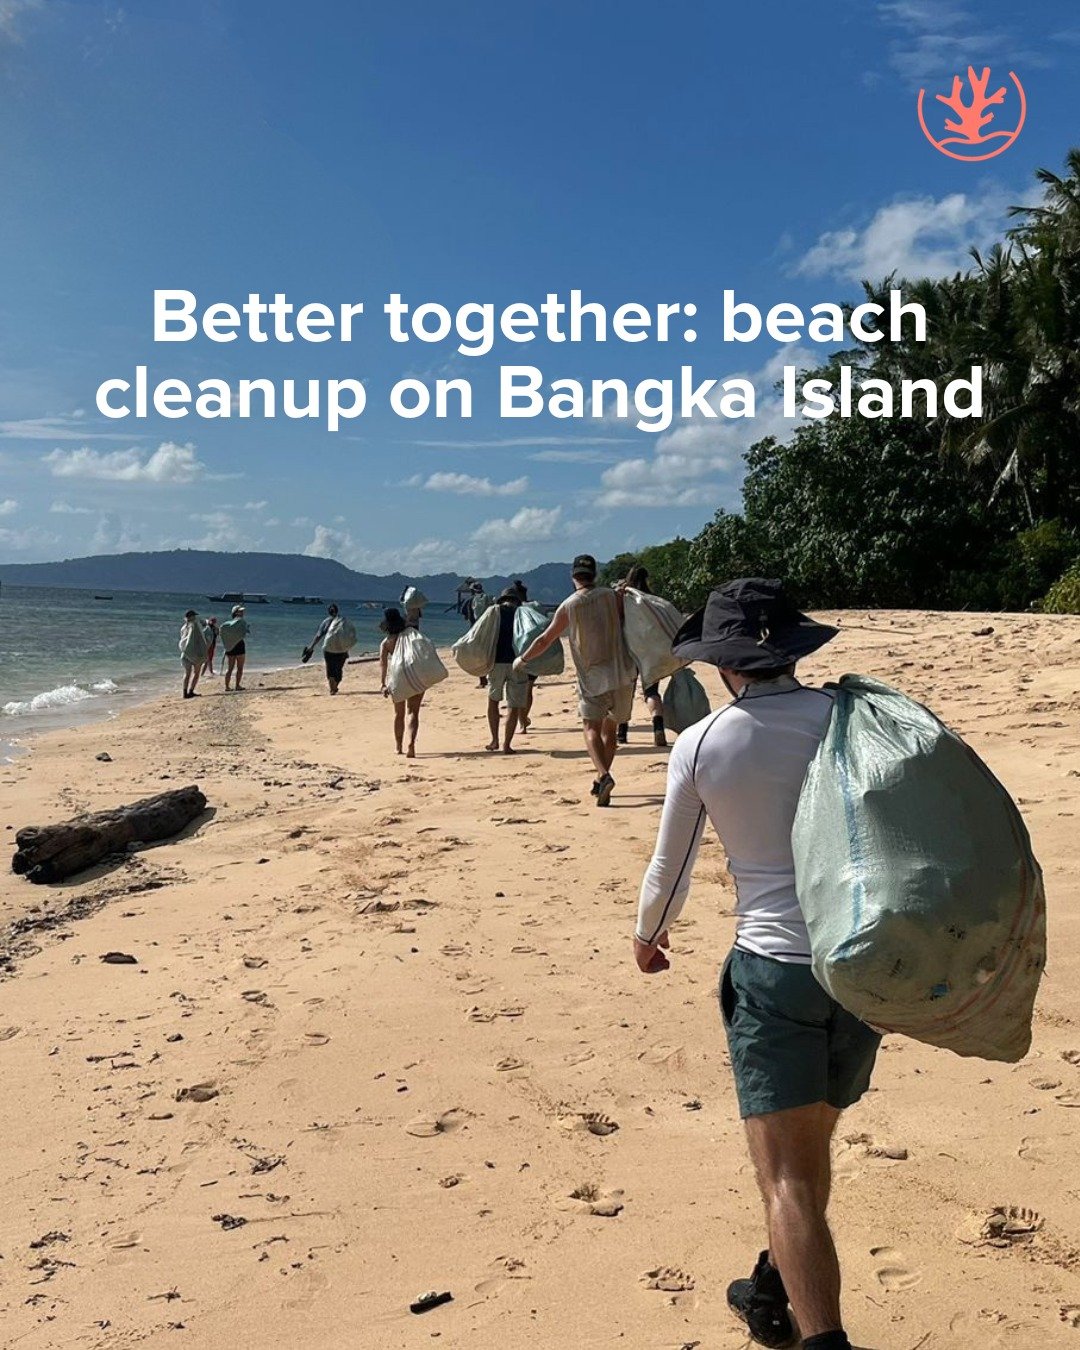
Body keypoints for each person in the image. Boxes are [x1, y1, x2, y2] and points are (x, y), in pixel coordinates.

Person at [632, 578, 878, 1350]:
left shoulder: (704, 742)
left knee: (787, 1177)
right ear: (792, 652)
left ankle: (822, 1339)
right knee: (812, 1147)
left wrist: (650, 935)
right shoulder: (847, 718)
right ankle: (773, 1290)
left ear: (723, 664)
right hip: (864, 963)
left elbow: (670, 866)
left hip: (773, 970)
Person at [513, 553, 635, 807]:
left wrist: (523, 660)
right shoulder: (613, 597)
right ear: (595, 575)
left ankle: (604, 775)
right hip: (623, 672)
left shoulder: (569, 605)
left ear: (573, 577)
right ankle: (603, 779)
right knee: (610, 729)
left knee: (590, 727)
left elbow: (545, 639)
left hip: (592, 676)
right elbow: (629, 620)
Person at [615, 564, 668, 749]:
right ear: (647, 579)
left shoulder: (624, 597)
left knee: (626, 691)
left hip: (628, 649)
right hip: (649, 651)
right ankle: (658, 727)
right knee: (651, 692)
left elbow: (618, 620)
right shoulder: (652, 600)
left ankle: (621, 733)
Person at [486, 588, 528, 754]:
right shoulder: (522, 613)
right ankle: (507, 745)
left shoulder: (494, 612)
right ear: (517, 600)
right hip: (518, 662)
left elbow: (481, 633)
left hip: (496, 662)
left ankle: (494, 740)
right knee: (514, 705)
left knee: (493, 700)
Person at [379, 607, 424, 757]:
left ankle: (398, 747)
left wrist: (383, 683)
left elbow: (383, 664)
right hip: (415, 673)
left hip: (398, 676)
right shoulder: (411, 635)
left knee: (399, 714)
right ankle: (411, 745)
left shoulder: (386, 643)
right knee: (413, 712)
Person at [304, 602, 350, 695]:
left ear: (328, 612)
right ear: (337, 611)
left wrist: (311, 647)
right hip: (341, 649)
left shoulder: (325, 622)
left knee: (330, 668)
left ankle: (332, 688)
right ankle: (335, 687)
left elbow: (318, 636)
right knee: (338, 668)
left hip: (328, 649)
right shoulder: (343, 621)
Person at [179, 609, 209, 699]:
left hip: (185, 653)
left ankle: (185, 693)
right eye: (194, 616)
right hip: (196, 654)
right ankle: (191, 691)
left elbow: (183, 641)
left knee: (187, 674)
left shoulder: (183, 628)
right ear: (192, 617)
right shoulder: (195, 626)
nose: (196, 617)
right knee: (196, 673)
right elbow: (200, 639)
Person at [221, 604, 250, 691]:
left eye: (242, 611)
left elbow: (223, 634)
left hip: (230, 647)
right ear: (235, 612)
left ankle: (228, 686)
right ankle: (236, 686)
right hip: (239, 646)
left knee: (230, 668)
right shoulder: (242, 622)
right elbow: (244, 633)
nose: (242, 613)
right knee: (239, 667)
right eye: (240, 611)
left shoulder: (227, 624)